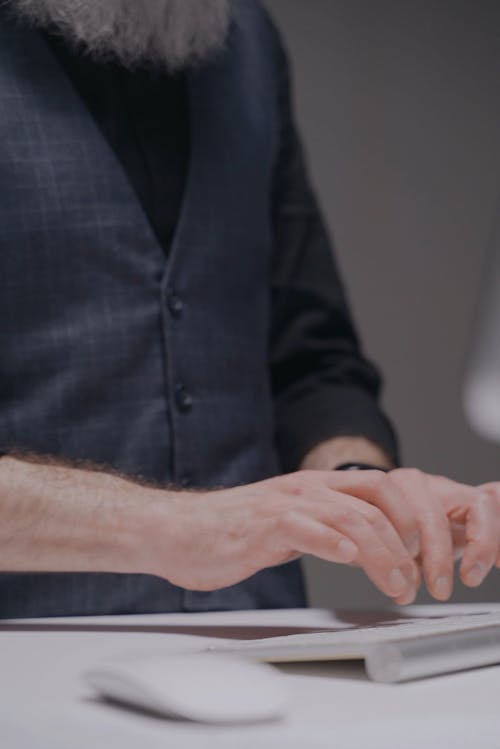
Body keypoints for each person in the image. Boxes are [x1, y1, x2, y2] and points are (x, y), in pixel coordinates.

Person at [0, 0, 499, 618]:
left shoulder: (249, 44)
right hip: (28, 658)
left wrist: (361, 489)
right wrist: (177, 527)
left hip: (259, 640)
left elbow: (310, 359)